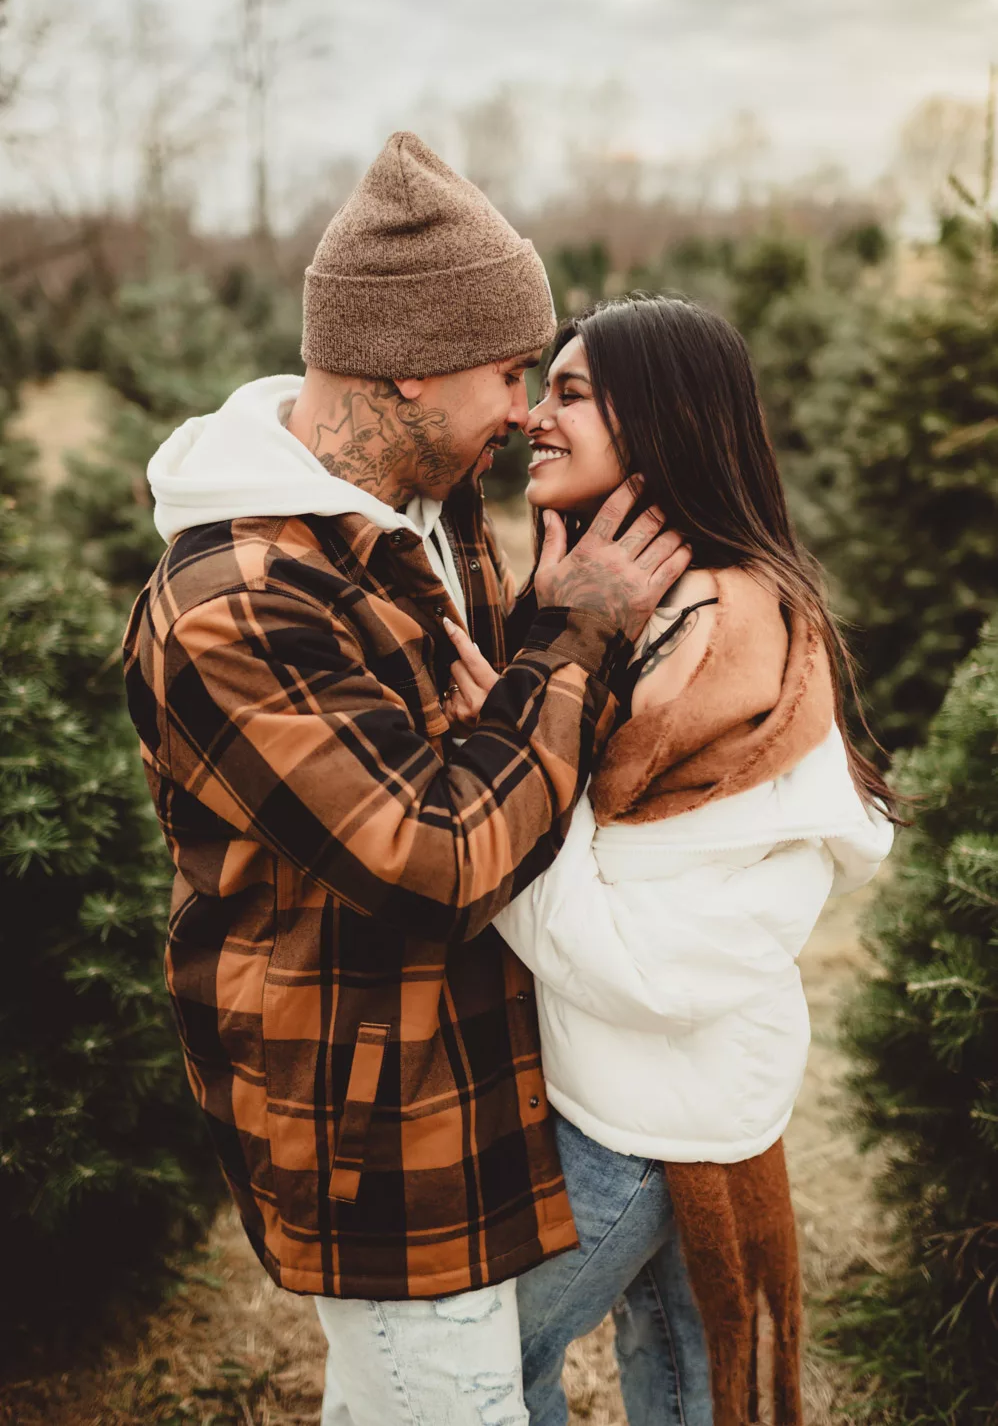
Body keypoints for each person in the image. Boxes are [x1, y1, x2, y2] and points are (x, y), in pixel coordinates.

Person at [122, 136, 691, 1426]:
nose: (526, 412)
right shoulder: (236, 600)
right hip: (372, 1128)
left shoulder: (431, 518)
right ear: (411, 367)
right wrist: (573, 641)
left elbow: (496, 746)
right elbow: (431, 861)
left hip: (483, 1072)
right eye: (507, 374)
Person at [443, 295, 897, 1426]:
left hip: (641, 1122)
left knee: (482, 1366)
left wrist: (495, 761)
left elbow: (647, 962)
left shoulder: (713, 634)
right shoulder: (639, 603)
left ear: (663, 421)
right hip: (637, 1093)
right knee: (682, 1378)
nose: (531, 418)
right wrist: (551, 647)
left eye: (571, 394)